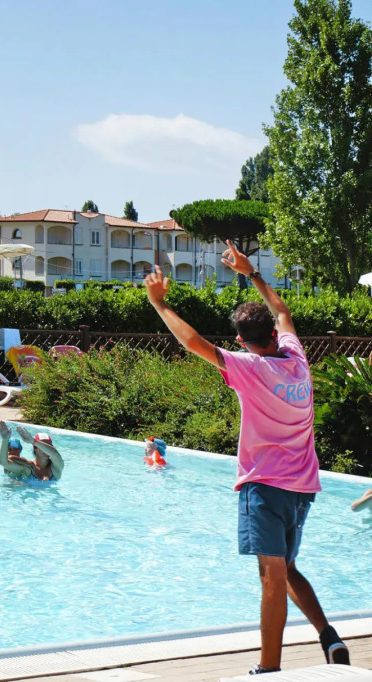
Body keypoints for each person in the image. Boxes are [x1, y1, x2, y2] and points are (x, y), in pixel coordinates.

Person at [144, 241, 348, 674]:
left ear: (241, 341)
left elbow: (193, 342)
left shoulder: (249, 368)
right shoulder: (297, 357)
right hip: (302, 488)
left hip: (265, 485)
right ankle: (329, 637)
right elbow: (283, 311)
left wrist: (159, 304)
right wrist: (251, 273)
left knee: (271, 576)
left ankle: (269, 670)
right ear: (273, 334)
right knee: (286, 569)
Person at [0, 422, 64, 481]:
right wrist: (5, 441)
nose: (46, 450)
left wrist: (32, 441)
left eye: (48, 446)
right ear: (35, 448)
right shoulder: (29, 468)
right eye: (42, 447)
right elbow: (3, 462)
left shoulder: (56, 467)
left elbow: (55, 454)